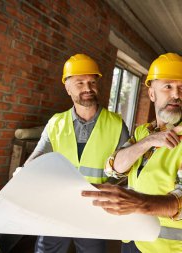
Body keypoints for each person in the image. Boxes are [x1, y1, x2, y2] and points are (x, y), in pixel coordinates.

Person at [82, 53, 182, 253]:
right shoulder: (142, 132)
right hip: (131, 238)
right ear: (152, 94)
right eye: (168, 86)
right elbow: (113, 168)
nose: (177, 94)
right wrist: (149, 141)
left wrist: (139, 203)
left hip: (161, 247)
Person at [17, 54, 129, 253]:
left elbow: (126, 173)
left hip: (94, 209)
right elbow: (37, 158)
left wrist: (106, 194)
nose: (87, 88)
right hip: (58, 206)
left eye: (92, 82)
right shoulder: (56, 123)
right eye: (80, 83)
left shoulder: (116, 124)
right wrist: (27, 171)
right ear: (68, 88)